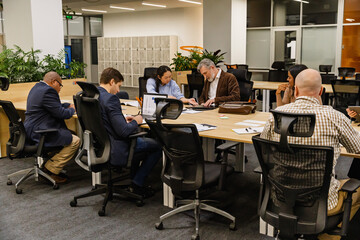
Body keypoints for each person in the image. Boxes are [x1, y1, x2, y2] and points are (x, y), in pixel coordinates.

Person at [261, 69, 360, 240]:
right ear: (321, 91)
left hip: (281, 199)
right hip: (320, 203)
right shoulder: (335, 117)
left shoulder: (275, 117)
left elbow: (265, 147)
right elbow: (356, 148)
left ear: (296, 90)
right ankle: (327, 236)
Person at [98, 67, 162, 198]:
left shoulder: (92, 95)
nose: (118, 91)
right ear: (111, 82)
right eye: (118, 86)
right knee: (158, 146)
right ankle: (137, 182)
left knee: (139, 141)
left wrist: (121, 120)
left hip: (100, 145)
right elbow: (123, 131)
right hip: (117, 146)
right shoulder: (111, 99)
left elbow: (104, 120)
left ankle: (134, 177)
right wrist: (136, 121)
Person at [24, 71, 80, 184]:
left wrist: (67, 105)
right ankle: (51, 168)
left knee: (70, 133)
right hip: (40, 131)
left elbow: (53, 106)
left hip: (30, 129)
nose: (60, 88)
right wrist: (73, 109)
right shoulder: (48, 91)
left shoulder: (37, 87)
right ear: (54, 82)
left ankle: (52, 164)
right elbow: (62, 114)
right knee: (75, 140)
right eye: (60, 85)